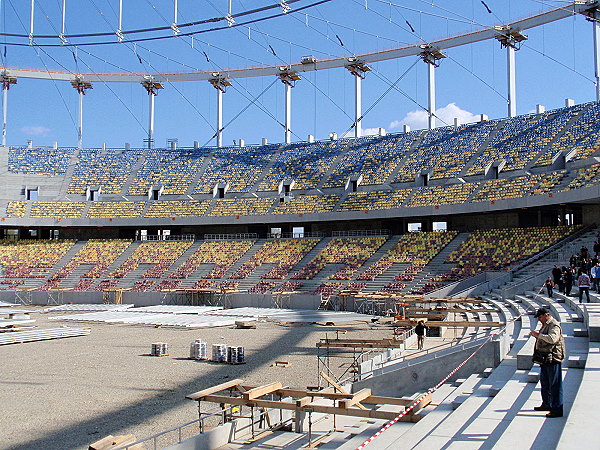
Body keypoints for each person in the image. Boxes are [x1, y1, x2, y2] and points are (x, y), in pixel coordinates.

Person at [530, 308, 565, 418]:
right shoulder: (545, 324)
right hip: (545, 358)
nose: (539, 320)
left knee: (555, 384)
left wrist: (538, 335)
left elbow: (553, 339)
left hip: (553, 358)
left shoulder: (554, 325)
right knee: (545, 383)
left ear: (547, 315)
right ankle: (547, 404)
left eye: (540, 317)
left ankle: (556, 409)